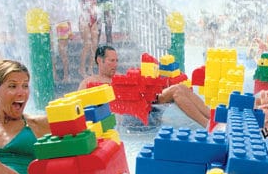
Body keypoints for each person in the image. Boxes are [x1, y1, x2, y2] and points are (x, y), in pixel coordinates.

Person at [79, 46, 211, 128]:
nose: (115, 64)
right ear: (99, 60)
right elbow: (78, 107)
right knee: (176, 91)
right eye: (111, 61)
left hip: (146, 105)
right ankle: (208, 125)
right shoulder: (89, 82)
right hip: (130, 117)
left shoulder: (118, 77)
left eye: (116, 61)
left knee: (179, 88)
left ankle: (212, 117)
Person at [77, 0, 100, 79]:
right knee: (87, 44)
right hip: (84, 19)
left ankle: (90, 68)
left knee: (94, 45)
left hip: (93, 18)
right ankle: (81, 68)